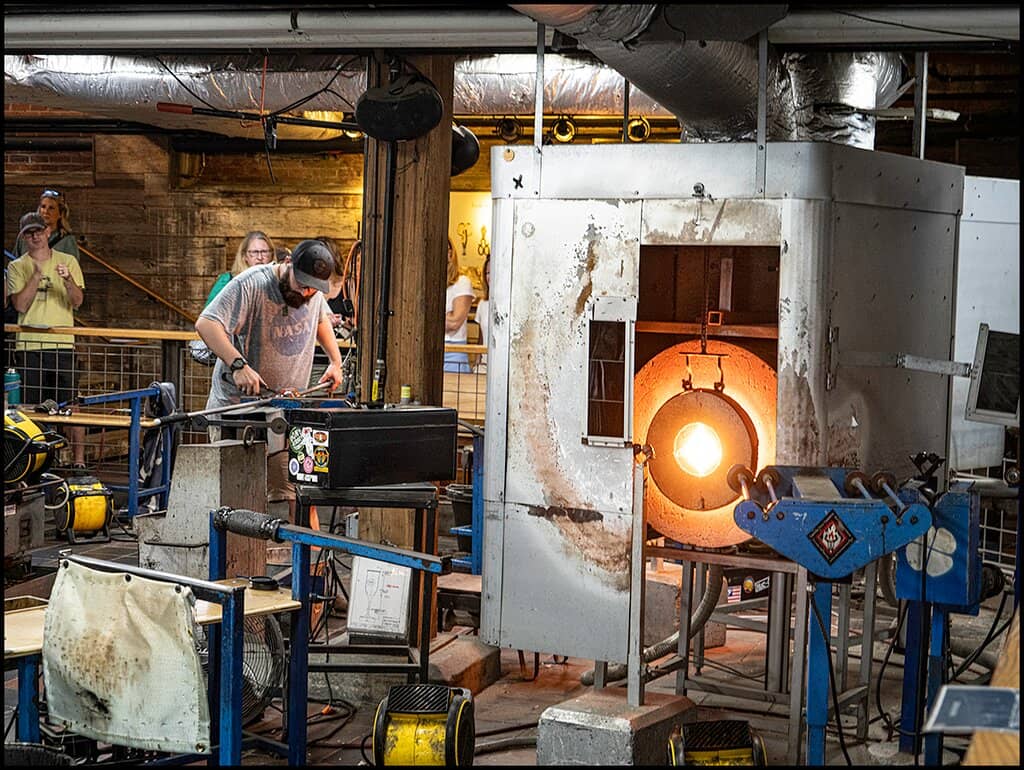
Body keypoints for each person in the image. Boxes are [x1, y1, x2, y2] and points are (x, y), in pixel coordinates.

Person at [195, 238, 344, 523]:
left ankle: (307, 556)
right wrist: (238, 364)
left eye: (313, 289)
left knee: (298, 488)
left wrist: (335, 362)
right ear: (288, 264)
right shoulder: (253, 283)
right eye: (302, 285)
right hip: (239, 409)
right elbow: (207, 323)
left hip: (287, 405)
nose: (306, 293)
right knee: (239, 493)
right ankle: (239, 558)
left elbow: (321, 320)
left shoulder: (313, 293)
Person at [7, 211, 87, 468]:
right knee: (31, 407)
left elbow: (77, 301)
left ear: (48, 233)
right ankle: (36, 462)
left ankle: (78, 461)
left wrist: (67, 280)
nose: (35, 237)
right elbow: (19, 305)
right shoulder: (17, 266)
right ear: (23, 237)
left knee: (71, 405)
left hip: (63, 344)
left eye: (39, 232)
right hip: (29, 345)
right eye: (29, 233)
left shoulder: (68, 261)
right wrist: (35, 275)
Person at [204, 230, 275, 307]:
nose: (260, 257)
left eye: (264, 252)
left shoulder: (279, 282)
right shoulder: (228, 280)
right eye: (254, 252)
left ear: (271, 255)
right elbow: (209, 314)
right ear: (244, 256)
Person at [14, 188, 81, 260]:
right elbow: (14, 263)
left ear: (60, 214)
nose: (46, 211)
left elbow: (72, 268)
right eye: (43, 207)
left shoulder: (67, 241)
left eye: (51, 208)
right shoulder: (24, 237)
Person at [444, 236, 475, 373]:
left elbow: (454, 322)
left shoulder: (462, 282)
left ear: (451, 253)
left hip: (454, 351)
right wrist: (447, 315)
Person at [474, 255, 491, 373]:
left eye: (493, 271)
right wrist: (476, 363)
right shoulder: (482, 304)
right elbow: (480, 339)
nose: (490, 276)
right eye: (487, 272)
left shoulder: (509, 305)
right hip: (484, 366)